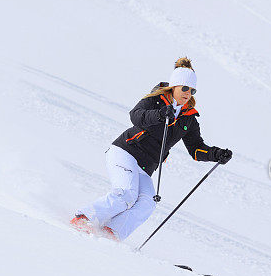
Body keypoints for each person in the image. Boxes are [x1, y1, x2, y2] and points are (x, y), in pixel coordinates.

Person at [70, 57, 232, 241]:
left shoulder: (189, 119)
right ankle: (83, 218)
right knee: (126, 193)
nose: (188, 93)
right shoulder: (157, 100)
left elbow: (196, 149)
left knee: (147, 203)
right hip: (125, 152)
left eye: (192, 90)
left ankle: (110, 233)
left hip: (146, 167)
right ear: (174, 86)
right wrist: (160, 114)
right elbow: (135, 116)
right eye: (185, 88)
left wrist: (217, 154)